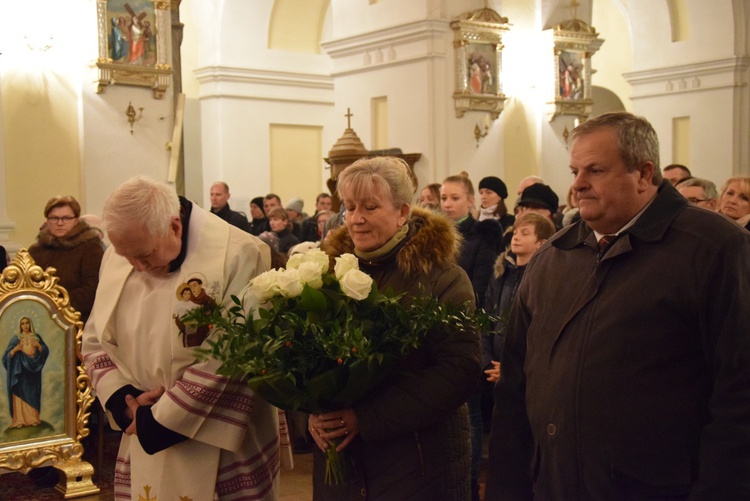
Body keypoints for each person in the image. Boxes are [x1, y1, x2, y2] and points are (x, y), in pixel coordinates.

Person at [486, 112, 750, 500]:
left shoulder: (714, 248)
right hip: (554, 484)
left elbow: (739, 396)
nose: (577, 186)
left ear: (644, 174)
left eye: (595, 170)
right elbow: (514, 393)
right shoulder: (553, 257)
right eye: (575, 170)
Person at [81, 176, 283, 501]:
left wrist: (161, 421)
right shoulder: (121, 253)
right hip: (140, 425)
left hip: (216, 441)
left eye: (144, 256)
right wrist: (123, 399)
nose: (136, 267)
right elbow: (94, 338)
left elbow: (233, 356)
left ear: (175, 226)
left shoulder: (240, 253)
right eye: (126, 257)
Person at [309, 156, 481, 500]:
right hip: (341, 464)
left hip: (417, 462)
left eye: (370, 207)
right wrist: (311, 412)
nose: (356, 219)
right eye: (350, 207)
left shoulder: (441, 277)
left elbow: (459, 370)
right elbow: (300, 358)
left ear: (403, 212)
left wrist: (365, 418)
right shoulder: (326, 275)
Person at [440, 174, 501, 501]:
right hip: (436, 333)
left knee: (471, 414)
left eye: (454, 198)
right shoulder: (433, 237)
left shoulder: (480, 237)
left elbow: (479, 289)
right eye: (444, 198)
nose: (447, 204)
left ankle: (469, 483)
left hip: (468, 330)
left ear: (470, 202)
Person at [482, 213, 555, 386]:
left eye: (525, 233)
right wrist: (487, 362)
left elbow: (540, 334)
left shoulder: (546, 279)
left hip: (524, 376)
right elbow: (485, 320)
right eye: (515, 232)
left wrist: (510, 369)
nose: (516, 237)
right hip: (491, 368)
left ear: (542, 243)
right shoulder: (501, 274)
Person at [29, 196, 105, 322]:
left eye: (66, 218)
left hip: (77, 320)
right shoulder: (36, 250)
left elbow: (92, 289)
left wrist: (54, 304)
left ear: (76, 220)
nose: (60, 223)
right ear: (47, 220)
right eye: (54, 218)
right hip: (39, 319)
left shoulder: (90, 248)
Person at [3, 316, 50, 428]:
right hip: (19, 372)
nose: (25, 325)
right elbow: (6, 357)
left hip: (33, 372)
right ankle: (19, 420)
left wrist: (39, 346)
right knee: (19, 394)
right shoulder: (16, 339)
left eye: (27, 323)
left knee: (32, 394)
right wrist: (15, 350)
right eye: (23, 323)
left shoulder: (36, 337)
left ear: (30, 324)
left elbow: (45, 350)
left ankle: (33, 418)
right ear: (20, 325)